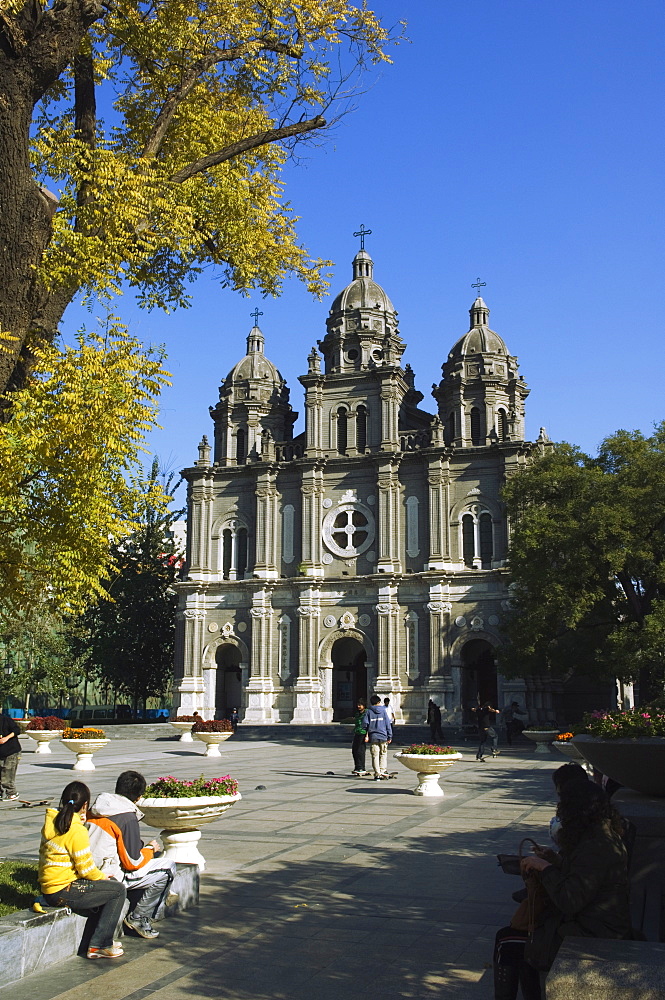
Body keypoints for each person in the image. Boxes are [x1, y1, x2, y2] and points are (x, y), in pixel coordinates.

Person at [493, 780, 631, 1000]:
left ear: (577, 811)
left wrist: (546, 869)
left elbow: (570, 900)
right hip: (592, 922)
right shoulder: (599, 835)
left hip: (593, 931)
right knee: (516, 940)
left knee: (508, 942)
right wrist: (555, 860)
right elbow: (583, 878)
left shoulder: (596, 846)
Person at [39, 780, 127, 959]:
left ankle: (98, 939)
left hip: (50, 887)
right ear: (85, 805)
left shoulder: (53, 821)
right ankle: (100, 944)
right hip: (62, 890)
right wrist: (102, 876)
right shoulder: (76, 830)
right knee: (117, 890)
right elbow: (86, 870)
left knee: (106, 887)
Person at [88, 770, 176, 940]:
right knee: (168, 868)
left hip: (90, 868)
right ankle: (139, 919)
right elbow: (132, 863)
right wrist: (150, 849)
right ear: (138, 798)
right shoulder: (127, 817)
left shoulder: (97, 808)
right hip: (111, 875)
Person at [363, 695, 393, 780]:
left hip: (373, 737)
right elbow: (388, 724)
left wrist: (366, 733)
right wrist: (390, 736)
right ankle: (383, 770)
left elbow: (365, 724)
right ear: (379, 702)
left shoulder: (368, 712)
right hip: (383, 736)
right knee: (383, 754)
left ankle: (377, 773)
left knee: (375, 755)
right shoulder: (383, 711)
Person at [0, 712, 21, 800]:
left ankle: (11, 792)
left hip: (11, 751)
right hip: (1, 752)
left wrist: (6, 738)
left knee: (8, 773)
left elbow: (17, 730)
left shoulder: (5, 720)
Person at [351, 699, 369, 775]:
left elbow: (368, 725)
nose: (358, 706)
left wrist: (367, 735)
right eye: (358, 705)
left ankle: (362, 767)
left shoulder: (367, 713)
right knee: (354, 750)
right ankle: (357, 766)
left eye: (360, 705)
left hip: (363, 733)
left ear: (364, 706)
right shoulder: (357, 714)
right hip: (357, 732)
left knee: (360, 751)